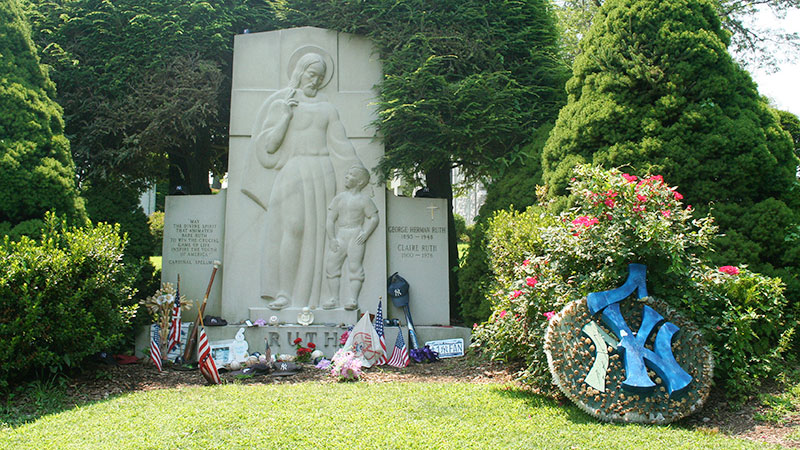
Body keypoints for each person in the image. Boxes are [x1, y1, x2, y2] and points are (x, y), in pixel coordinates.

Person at [243, 52, 359, 310]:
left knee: (318, 233)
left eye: (320, 77)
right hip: (294, 170)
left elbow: (341, 146)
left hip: (322, 172)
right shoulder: (281, 104)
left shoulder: (329, 110)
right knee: (293, 228)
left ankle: (315, 298)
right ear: (300, 71)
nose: (315, 81)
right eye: (311, 74)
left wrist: (359, 173)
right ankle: (284, 292)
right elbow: (270, 146)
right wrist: (285, 116)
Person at [322, 165, 379, 310]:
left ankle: (353, 299)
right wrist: (332, 238)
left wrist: (365, 234)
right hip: (341, 234)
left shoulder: (364, 199)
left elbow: (373, 217)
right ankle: (334, 299)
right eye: (347, 174)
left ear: (360, 182)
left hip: (356, 234)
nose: (347, 177)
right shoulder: (339, 198)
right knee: (331, 266)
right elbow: (330, 219)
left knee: (355, 267)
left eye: (351, 175)